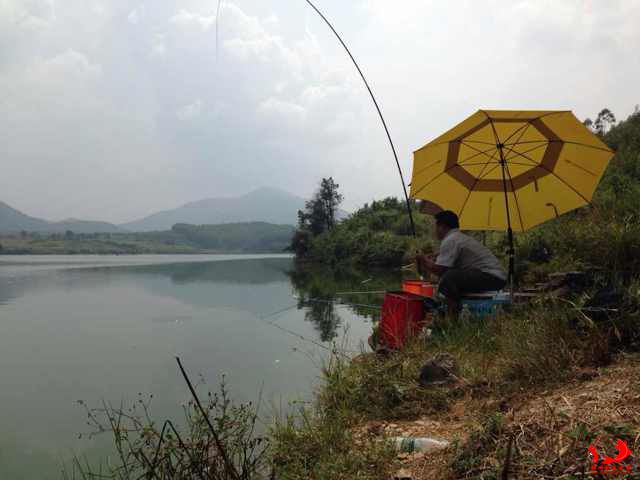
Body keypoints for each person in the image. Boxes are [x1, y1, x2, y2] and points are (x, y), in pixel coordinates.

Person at [416, 210, 507, 317]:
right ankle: (449, 313)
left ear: (442, 226)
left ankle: (452, 319)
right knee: (449, 278)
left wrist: (423, 260)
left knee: (449, 277)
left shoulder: (451, 240)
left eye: (436, 227)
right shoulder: (457, 237)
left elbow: (441, 271)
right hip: (495, 277)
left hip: (492, 277)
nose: (435, 230)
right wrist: (432, 259)